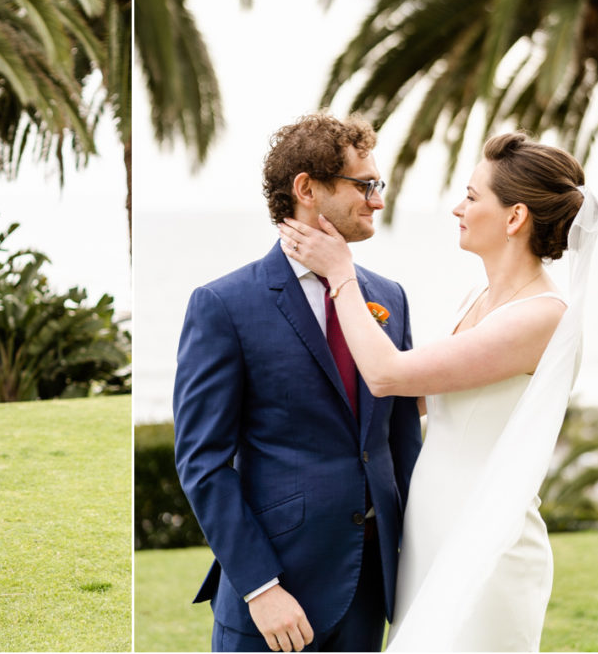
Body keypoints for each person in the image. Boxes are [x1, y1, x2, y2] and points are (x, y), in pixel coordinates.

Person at [278, 131, 598, 650]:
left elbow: (390, 376)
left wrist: (340, 274)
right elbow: (417, 399)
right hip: (431, 532)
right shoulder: (479, 297)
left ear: (515, 218)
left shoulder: (543, 316)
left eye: (473, 197)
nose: (458, 208)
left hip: (484, 539)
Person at [173, 112, 423, 652]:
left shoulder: (390, 297)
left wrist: (416, 562)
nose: (378, 200)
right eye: (365, 185)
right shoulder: (224, 305)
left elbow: (402, 444)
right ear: (307, 189)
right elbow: (202, 461)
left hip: (369, 588)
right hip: (274, 591)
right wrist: (260, 586)